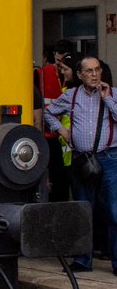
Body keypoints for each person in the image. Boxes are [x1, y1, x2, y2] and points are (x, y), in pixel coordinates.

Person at [43, 56, 117, 273]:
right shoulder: (71, 95)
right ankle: (83, 260)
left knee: (114, 212)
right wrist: (62, 131)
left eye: (97, 70)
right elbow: (48, 112)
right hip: (82, 160)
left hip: (110, 158)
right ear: (80, 75)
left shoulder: (113, 93)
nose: (94, 75)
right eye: (89, 71)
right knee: (83, 210)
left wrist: (108, 100)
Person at [37, 47, 68, 200]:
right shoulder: (42, 75)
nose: (61, 70)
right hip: (53, 136)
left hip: (56, 138)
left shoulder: (41, 75)